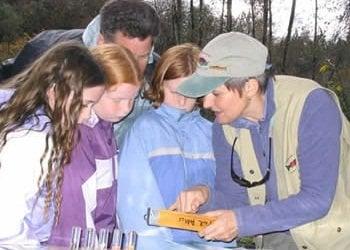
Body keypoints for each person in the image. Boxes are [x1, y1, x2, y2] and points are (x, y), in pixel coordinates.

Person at [173, 32, 350, 250]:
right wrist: (205, 195)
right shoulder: (224, 126)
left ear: (250, 87)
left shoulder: (312, 105)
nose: (206, 103)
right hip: (279, 236)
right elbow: (236, 200)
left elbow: (317, 200)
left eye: (215, 94)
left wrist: (240, 222)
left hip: (335, 236)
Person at [117, 44, 235, 250]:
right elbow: (134, 210)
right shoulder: (144, 130)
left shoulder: (215, 132)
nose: (182, 101)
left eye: (190, 94)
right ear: (160, 84)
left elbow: (231, 197)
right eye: (174, 91)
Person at [0, 0, 161, 146]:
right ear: (101, 42)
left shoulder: (157, 74)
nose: (134, 66)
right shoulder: (56, 59)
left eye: (143, 56)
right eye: (124, 54)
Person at [0, 42, 106, 246]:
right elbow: (6, 225)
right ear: (54, 92)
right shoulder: (32, 139)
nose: (88, 115)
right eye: (84, 105)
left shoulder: (16, 114)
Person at [48, 44, 141, 246]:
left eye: (132, 99)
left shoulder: (105, 130)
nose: (126, 108)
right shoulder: (78, 134)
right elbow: (74, 211)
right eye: (118, 99)